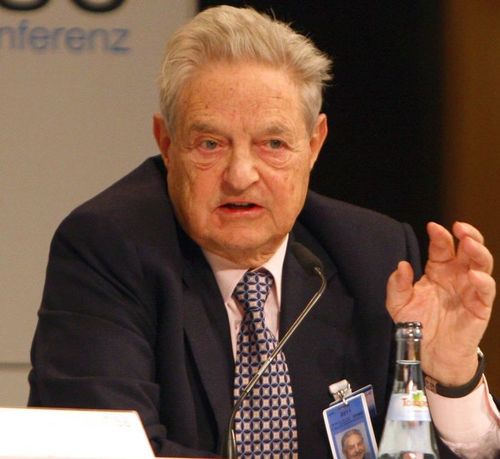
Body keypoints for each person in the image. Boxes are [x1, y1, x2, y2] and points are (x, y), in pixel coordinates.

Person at [28, 5, 499, 459]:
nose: (240, 176)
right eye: (210, 144)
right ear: (166, 144)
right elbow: (101, 448)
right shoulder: (108, 247)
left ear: (314, 144)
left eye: (272, 144)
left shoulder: (375, 255)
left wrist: (449, 375)